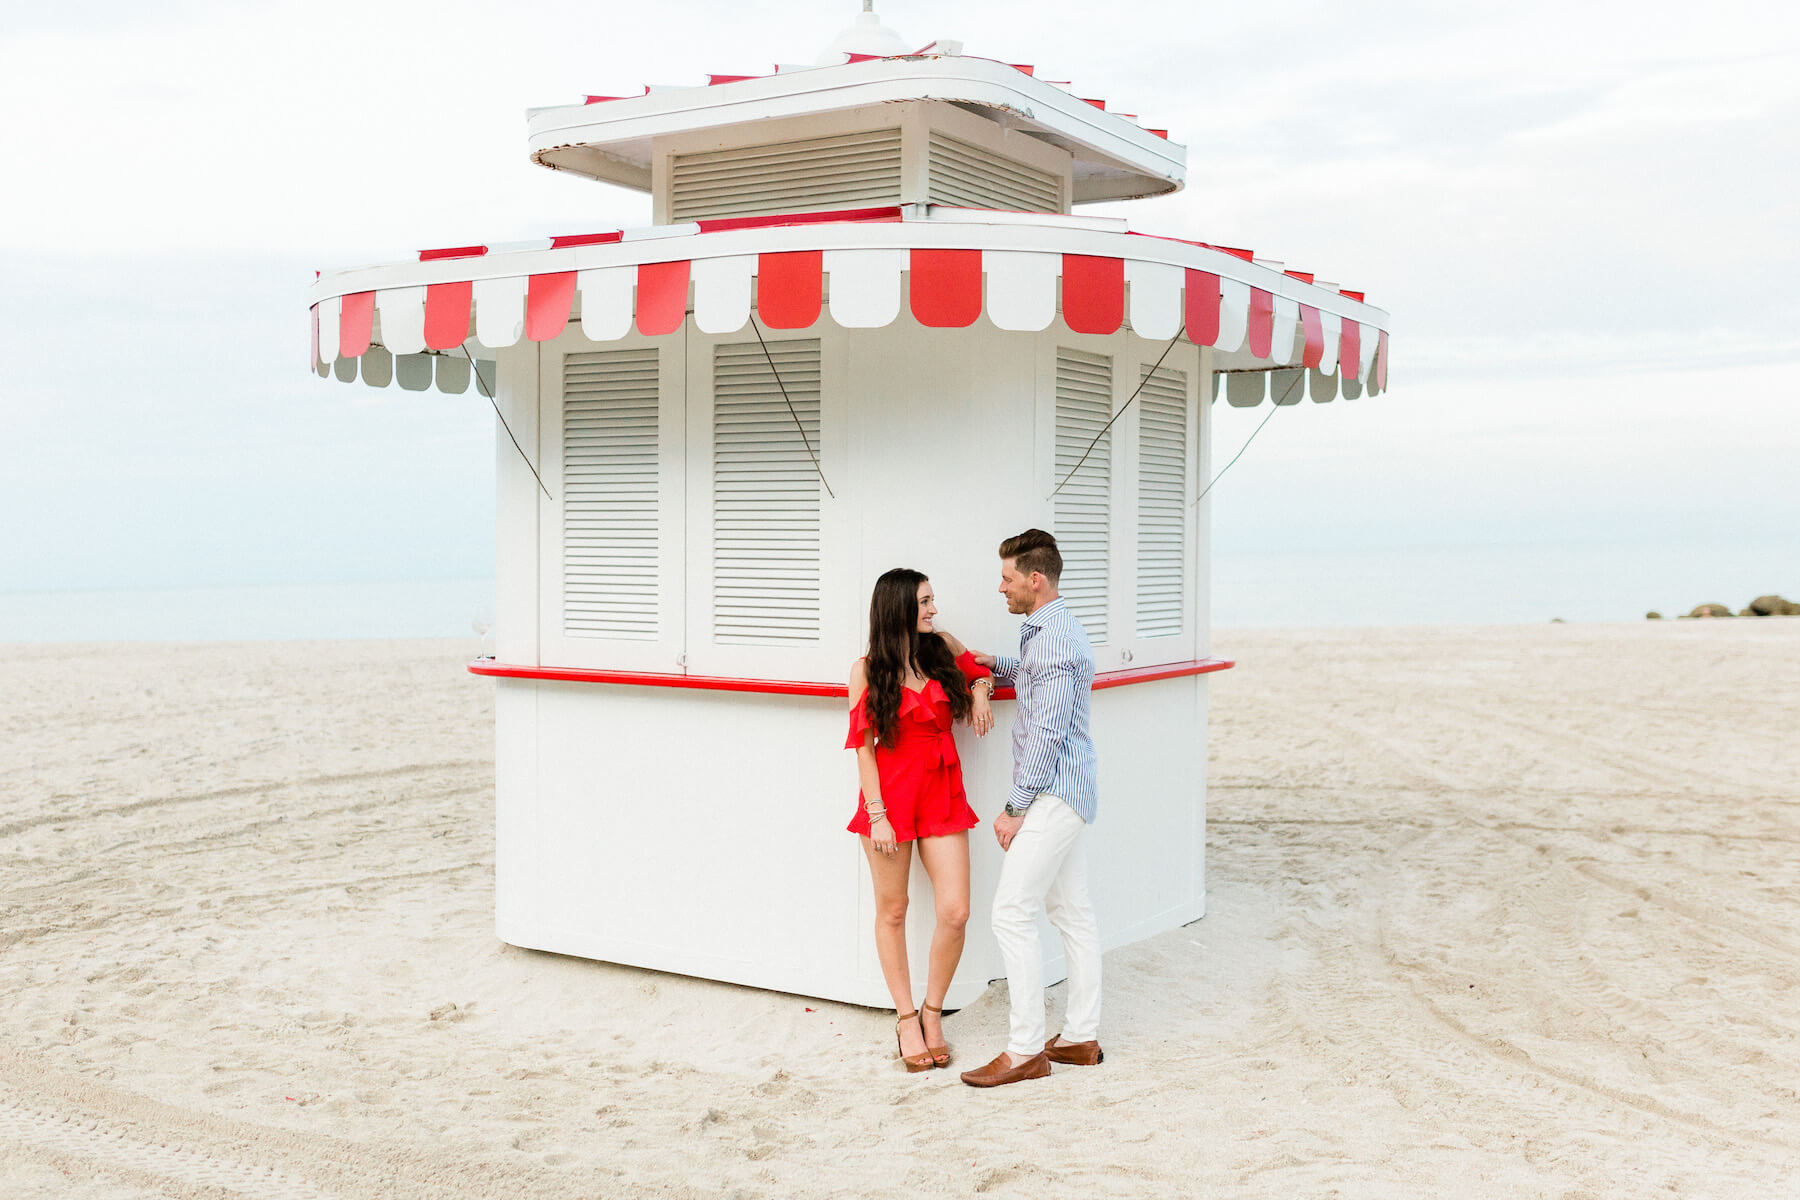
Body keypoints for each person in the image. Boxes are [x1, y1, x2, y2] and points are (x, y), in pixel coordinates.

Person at [959, 529, 1104, 1088]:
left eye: (1008, 578)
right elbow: (1033, 679)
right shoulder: (1049, 631)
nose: (1002, 588)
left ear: (1034, 580)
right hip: (1068, 790)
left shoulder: (1055, 642)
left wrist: (1014, 809)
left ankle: (1024, 1051)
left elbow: (1044, 733)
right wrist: (984, 664)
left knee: (1010, 913)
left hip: (1051, 795)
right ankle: (1078, 1037)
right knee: (1072, 912)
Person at [846, 568, 996, 1072]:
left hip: (942, 790)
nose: (933, 610)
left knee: (955, 911)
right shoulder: (867, 670)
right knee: (894, 910)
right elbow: (863, 750)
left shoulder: (941, 647)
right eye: (925, 602)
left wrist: (977, 693)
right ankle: (906, 1018)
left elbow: (979, 670)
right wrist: (878, 816)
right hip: (889, 800)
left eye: (933, 601)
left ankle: (934, 1012)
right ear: (898, 609)